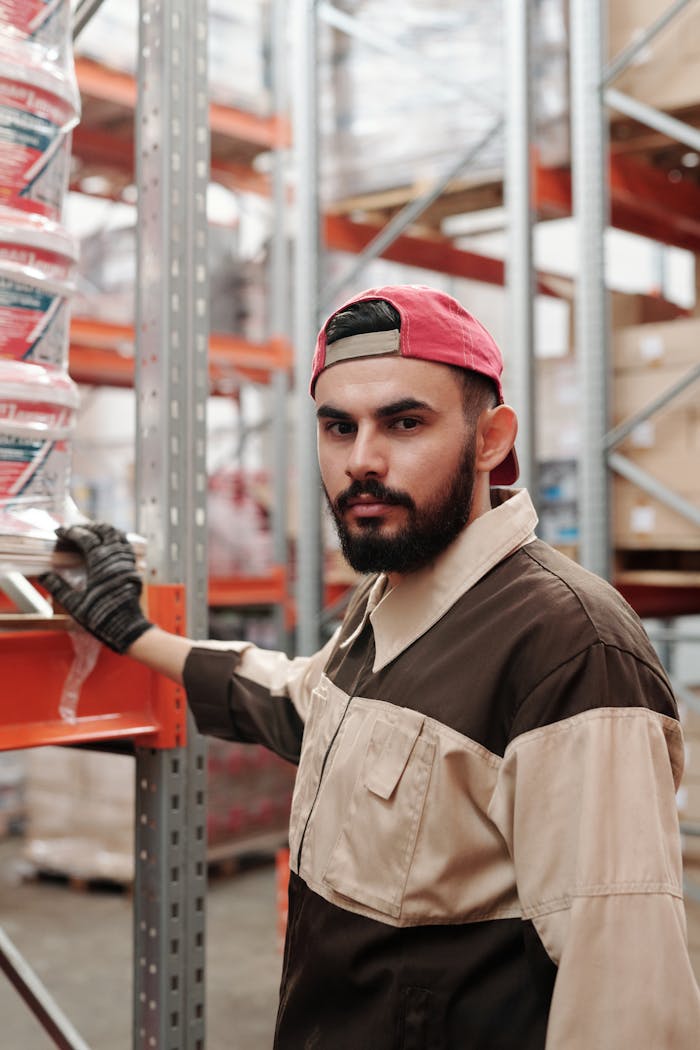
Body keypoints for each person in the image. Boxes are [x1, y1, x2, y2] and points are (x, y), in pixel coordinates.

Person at [41, 284, 700, 1049]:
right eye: (337, 427)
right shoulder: (388, 603)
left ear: (490, 439)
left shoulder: (568, 649)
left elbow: (624, 1002)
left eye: (404, 422)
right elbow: (299, 703)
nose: (362, 461)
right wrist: (134, 632)